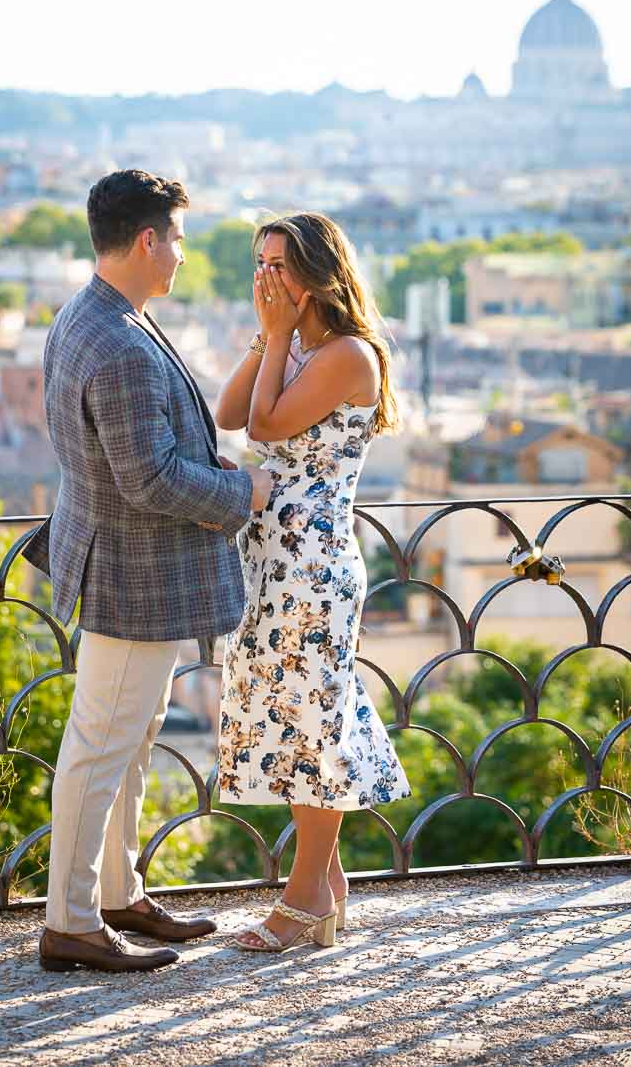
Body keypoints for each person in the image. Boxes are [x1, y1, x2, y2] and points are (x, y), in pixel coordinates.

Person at [24, 169, 273, 972]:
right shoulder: (122, 341)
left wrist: (208, 460)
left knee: (126, 741)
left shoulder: (89, 314)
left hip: (115, 560)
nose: (182, 254)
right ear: (145, 240)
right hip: (133, 574)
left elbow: (124, 455)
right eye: (177, 238)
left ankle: (115, 894)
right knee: (102, 745)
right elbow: (150, 478)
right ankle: (70, 921)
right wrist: (242, 490)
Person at [215, 213, 411, 953]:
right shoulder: (289, 345)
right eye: (258, 264)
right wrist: (269, 336)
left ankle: (302, 903)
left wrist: (274, 341)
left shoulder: (348, 354)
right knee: (290, 718)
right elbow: (231, 413)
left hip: (314, 562)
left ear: (316, 272)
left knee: (315, 721)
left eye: (278, 266)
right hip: (270, 558)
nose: (265, 278)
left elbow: (263, 430)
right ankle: (324, 895)